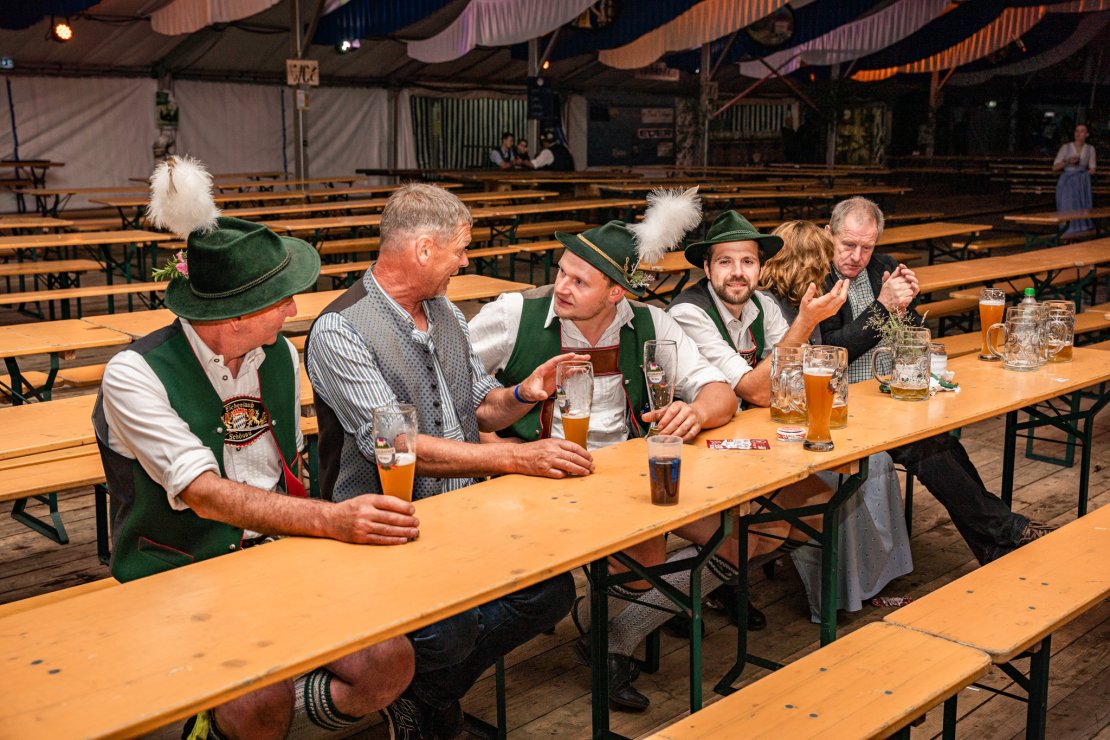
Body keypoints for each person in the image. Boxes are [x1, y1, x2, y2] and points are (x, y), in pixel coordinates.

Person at [93, 156, 414, 740]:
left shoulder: (280, 356)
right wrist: (334, 520)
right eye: (281, 300)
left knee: (390, 663)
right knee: (259, 699)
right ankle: (239, 716)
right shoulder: (134, 373)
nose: (295, 310)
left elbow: (285, 468)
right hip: (178, 569)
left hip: (277, 557)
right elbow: (205, 495)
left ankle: (277, 709)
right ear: (234, 315)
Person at [305, 183, 586, 739]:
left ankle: (424, 694)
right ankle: (421, 693)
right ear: (423, 249)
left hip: (463, 516)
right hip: (385, 524)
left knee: (551, 592)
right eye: (460, 249)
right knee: (449, 631)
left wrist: (524, 393)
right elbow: (397, 447)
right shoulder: (341, 329)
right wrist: (516, 459)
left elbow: (480, 406)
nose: (465, 261)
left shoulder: (447, 314)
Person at [468, 190, 739, 713]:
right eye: (562, 272)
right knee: (646, 550)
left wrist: (697, 413)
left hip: (624, 476)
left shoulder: (653, 324)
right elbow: (453, 390)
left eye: (579, 281)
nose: (561, 286)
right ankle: (612, 635)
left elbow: (719, 392)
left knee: (731, 541)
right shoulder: (512, 315)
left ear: (616, 292)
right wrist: (495, 446)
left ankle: (613, 634)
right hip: (536, 477)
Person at [820, 196, 1054, 565]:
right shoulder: (817, 276)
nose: (857, 256)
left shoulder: (884, 268)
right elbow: (830, 351)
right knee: (930, 448)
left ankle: (997, 545)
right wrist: (883, 307)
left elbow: (915, 335)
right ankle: (1005, 531)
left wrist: (905, 306)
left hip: (888, 396)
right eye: (848, 245)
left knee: (941, 442)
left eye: (867, 247)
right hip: (840, 407)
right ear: (827, 234)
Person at [759, 220, 915, 621]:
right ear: (798, 264)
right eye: (819, 264)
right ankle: (840, 594)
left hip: (809, 413)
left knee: (875, 460)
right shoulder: (776, 307)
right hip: (773, 426)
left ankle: (872, 581)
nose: (829, 272)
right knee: (848, 473)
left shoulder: (806, 302)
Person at [1053, 122, 1097, 236]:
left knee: (1081, 206)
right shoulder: (1066, 147)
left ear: (1087, 134)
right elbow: (1055, 167)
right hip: (1067, 181)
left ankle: (1081, 233)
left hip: (1081, 182)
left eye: (1082, 131)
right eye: (1077, 131)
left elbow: (1092, 168)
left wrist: (1083, 173)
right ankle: (1066, 232)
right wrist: (1067, 162)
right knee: (1067, 206)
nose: (1078, 133)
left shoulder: (1090, 149)